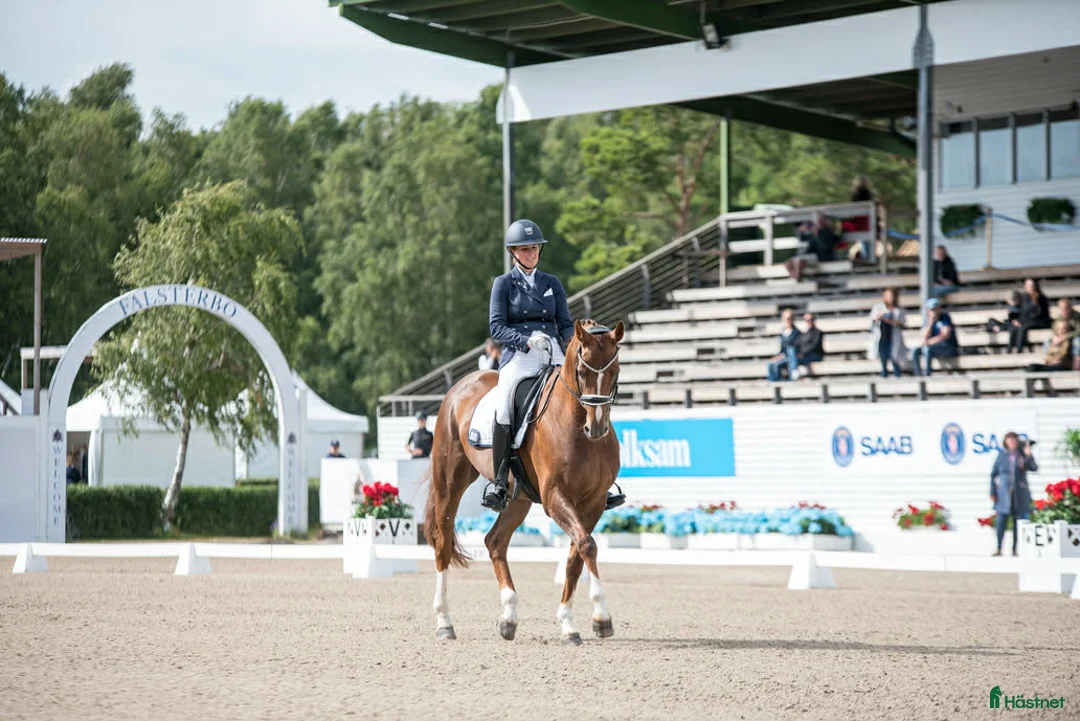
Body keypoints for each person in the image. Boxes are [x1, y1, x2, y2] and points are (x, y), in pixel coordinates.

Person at [484, 219, 623, 512]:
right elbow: (496, 327)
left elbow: (564, 324)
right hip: (520, 356)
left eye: (534, 248)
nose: (531, 253)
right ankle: (499, 481)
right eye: (525, 249)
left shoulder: (552, 283)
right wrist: (525, 340)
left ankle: (602, 480)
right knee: (504, 405)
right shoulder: (503, 284)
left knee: (585, 395)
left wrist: (581, 338)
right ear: (513, 252)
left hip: (555, 353)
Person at [990, 431, 1037, 557]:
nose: (1012, 442)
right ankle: (999, 547)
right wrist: (993, 491)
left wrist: (1029, 455)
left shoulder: (1022, 454)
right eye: (1009, 440)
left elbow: (1033, 467)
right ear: (1006, 442)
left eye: (1014, 440)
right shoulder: (1002, 455)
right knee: (1001, 521)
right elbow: (993, 475)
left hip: (1019, 494)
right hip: (1004, 494)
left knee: (1018, 521)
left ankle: (1015, 549)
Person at [910, 298, 959, 376]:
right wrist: (931, 323)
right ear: (928, 311)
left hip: (948, 347)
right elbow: (924, 340)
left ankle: (927, 375)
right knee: (914, 351)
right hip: (934, 348)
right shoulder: (928, 321)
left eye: (936, 308)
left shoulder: (945, 317)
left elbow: (945, 334)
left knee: (927, 349)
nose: (935, 311)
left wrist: (931, 342)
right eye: (932, 309)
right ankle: (918, 375)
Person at [784, 215, 837, 281]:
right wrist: (803, 230)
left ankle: (797, 279)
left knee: (799, 262)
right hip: (807, 256)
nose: (816, 225)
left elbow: (825, 248)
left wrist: (817, 234)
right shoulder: (809, 234)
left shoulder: (827, 233)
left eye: (819, 222)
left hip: (818, 256)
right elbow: (802, 239)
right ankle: (795, 277)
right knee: (787, 263)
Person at [868, 287, 906, 377]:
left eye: (892, 296)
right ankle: (884, 375)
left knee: (895, 358)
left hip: (893, 338)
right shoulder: (878, 308)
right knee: (883, 359)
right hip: (882, 338)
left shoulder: (899, 310)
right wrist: (878, 317)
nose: (890, 298)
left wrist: (892, 321)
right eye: (888, 296)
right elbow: (871, 323)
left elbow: (903, 325)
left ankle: (897, 376)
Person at [1009, 278, 1051, 352]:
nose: (1031, 287)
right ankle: (1009, 350)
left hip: (1040, 322)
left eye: (1032, 285)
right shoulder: (1023, 298)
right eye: (1029, 286)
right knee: (1014, 327)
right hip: (1027, 322)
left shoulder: (1041, 298)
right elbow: (1019, 312)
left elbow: (1039, 314)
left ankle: (1019, 350)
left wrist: (1024, 321)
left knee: (1022, 327)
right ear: (1025, 287)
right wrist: (1016, 320)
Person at [841, 175, 875, 260]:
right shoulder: (869, 194)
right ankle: (868, 256)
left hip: (859, 222)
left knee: (843, 228)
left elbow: (853, 210)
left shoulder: (857, 195)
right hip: (867, 221)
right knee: (866, 241)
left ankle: (844, 252)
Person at [1041, 297, 1080, 371]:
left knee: (1077, 341)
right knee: (1048, 339)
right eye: (1061, 308)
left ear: (1070, 307)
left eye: (1066, 307)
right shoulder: (1059, 317)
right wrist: (1055, 337)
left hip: (1074, 337)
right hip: (1062, 337)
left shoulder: (1077, 316)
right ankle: (1047, 359)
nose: (1064, 310)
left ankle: (1077, 362)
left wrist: (1066, 336)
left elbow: (1079, 331)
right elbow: (1054, 329)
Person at [766, 309, 801, 382]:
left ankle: (794, 372)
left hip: (793, 356)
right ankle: (773, 381)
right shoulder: (783, 333)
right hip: (784, 356)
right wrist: (779, 356)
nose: (788, 321)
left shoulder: (797, 332)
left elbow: (797, 347)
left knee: (791, 350)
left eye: (789, 318)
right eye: (786, 319)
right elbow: (782, 349)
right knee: (771, 363)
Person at [790, 312, 825, 380]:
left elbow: (814, 346)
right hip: (804, 355)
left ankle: (794, 373)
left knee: (793, 359)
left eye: (811, 319)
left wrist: (803, 353)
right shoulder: (805, 333)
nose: (809, 321)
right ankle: (793, 373)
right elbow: (796, 343)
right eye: (807, 320)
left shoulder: (818, 332)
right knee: (791, 353)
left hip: (814, 355)